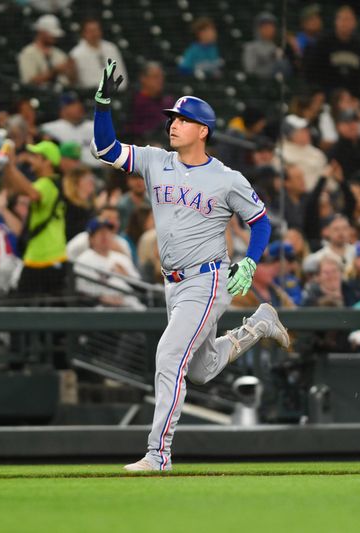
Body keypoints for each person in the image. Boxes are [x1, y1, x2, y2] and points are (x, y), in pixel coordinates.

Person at [91, 59, 287, 472]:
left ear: (203, 130)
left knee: (168, 355)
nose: (173, 124)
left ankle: (158, 455)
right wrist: (104, 106)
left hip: (207, 280)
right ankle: (258, 325)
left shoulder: (227, 177)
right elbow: (106, 149)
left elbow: (261, 222)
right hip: (172, 283)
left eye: (183, 119)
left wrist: (250, 262)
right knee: (201, 369)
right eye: (172, 118)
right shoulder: (154, 161)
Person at [2, 141, 69, 295]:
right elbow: (15, 188)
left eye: (35, 156)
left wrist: (11, 166)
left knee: (25, 309)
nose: (30, 159)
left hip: (47, 256)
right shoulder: (44, 183)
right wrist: (8, 167)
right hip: (43, 255)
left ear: (47, 161)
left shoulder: (48, 183)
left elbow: (33, 194)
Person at [74, 218, 144, 309]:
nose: (105, 236)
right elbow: (80, 289)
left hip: (129, 303)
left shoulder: (122, 258)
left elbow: (141, 287)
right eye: (100, 233)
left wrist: (126, 276)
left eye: (108, 232)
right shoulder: (83, 260)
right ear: (91, 238)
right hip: (100, 306)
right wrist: (100, 298)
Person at [304, 5, 360, 97]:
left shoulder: (359, 46)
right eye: (343, 19)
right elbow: (313, 73)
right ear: (336, 21)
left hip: (350, 96)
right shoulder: (324, 43)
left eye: (349, 20)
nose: (346, 23)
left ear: (355, 23)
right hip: (327, 93)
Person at [42, 93, 98, 168]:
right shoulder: (50, 128)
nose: (79, 107)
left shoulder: (94, 126)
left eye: (79, 103)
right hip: (70, 171)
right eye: (73, 105)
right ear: (63, 109)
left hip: (99, 171)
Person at [70, 18, 128, 90]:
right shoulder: (76, 54)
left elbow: (120, 73)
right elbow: (83, 81)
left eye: (96, 30)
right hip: (91, 93)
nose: (94, 34)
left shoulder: (111, 48)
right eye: (90, 31)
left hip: (115, 92)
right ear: (83, 33)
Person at [18, 14, 75, 87]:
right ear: (41, 32)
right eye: (51, 33)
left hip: (60, 94)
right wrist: (54, 72)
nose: (54, 36)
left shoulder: (59, 54)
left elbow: (71, 81)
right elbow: (30, 82)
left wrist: (72, 69)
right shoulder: (28, 53)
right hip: (39, 95)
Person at [230, 246, 295, 309]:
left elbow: (292, 313)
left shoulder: (278, 293)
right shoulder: (239, 296)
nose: (272, 270)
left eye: (273, 266)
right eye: (267, 266)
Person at [277, 115, 328, 192]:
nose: (307, 133)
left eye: (307, 130)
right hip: (303, 197)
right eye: (302, 131)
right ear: (290, 134)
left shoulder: (316, 152)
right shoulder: (281, 153)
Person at [67, 205, 133, 262]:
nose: (113, 222)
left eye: (116, 218)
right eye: (108, 218)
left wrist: (120, 251)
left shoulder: (123, 243)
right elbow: (67, 256)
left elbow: (130, 268)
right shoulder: (83, 238)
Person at [126, 62, 174, 140]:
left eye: (161, 77)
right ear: (143, 79)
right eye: (155, 77)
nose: (160, 80)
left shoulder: (168, 101)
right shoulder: (135, 102)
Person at [242, 12, 289, 80]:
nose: (269, 29)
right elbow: (250, 69)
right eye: (265, 27)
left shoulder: (276, 47)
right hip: (259, 82)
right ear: (258, 29)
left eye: (271, 26)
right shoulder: (251, 47)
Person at [62, 165, 96, 241]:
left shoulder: (91, 205)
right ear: (76, 182)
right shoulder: (67, 205)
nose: (92, 181)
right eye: (87, 178)